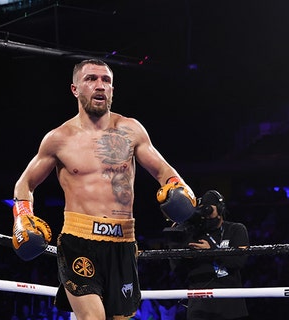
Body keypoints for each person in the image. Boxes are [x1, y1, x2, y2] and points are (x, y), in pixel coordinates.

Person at [11, 58, 197, 320]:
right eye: (91, 79)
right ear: (75, 89)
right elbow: (25, 183)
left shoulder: (131, 130)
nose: (99, 86)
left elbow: (163, 171)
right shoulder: (59, 139)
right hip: (79, 241)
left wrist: (177, 186)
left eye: (105, 80)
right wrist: (22, 216)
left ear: (112, 89)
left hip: (123, 242)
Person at [165, 190, 249, 320]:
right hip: (200, 308)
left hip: (231, 305)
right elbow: (177, 270)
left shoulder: (235, 230)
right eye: (203, 211)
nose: (206, 215)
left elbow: (238, 262)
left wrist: (211, 252)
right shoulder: (192, 234)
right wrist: (174, 241)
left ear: (221, 209)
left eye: (209, 210)